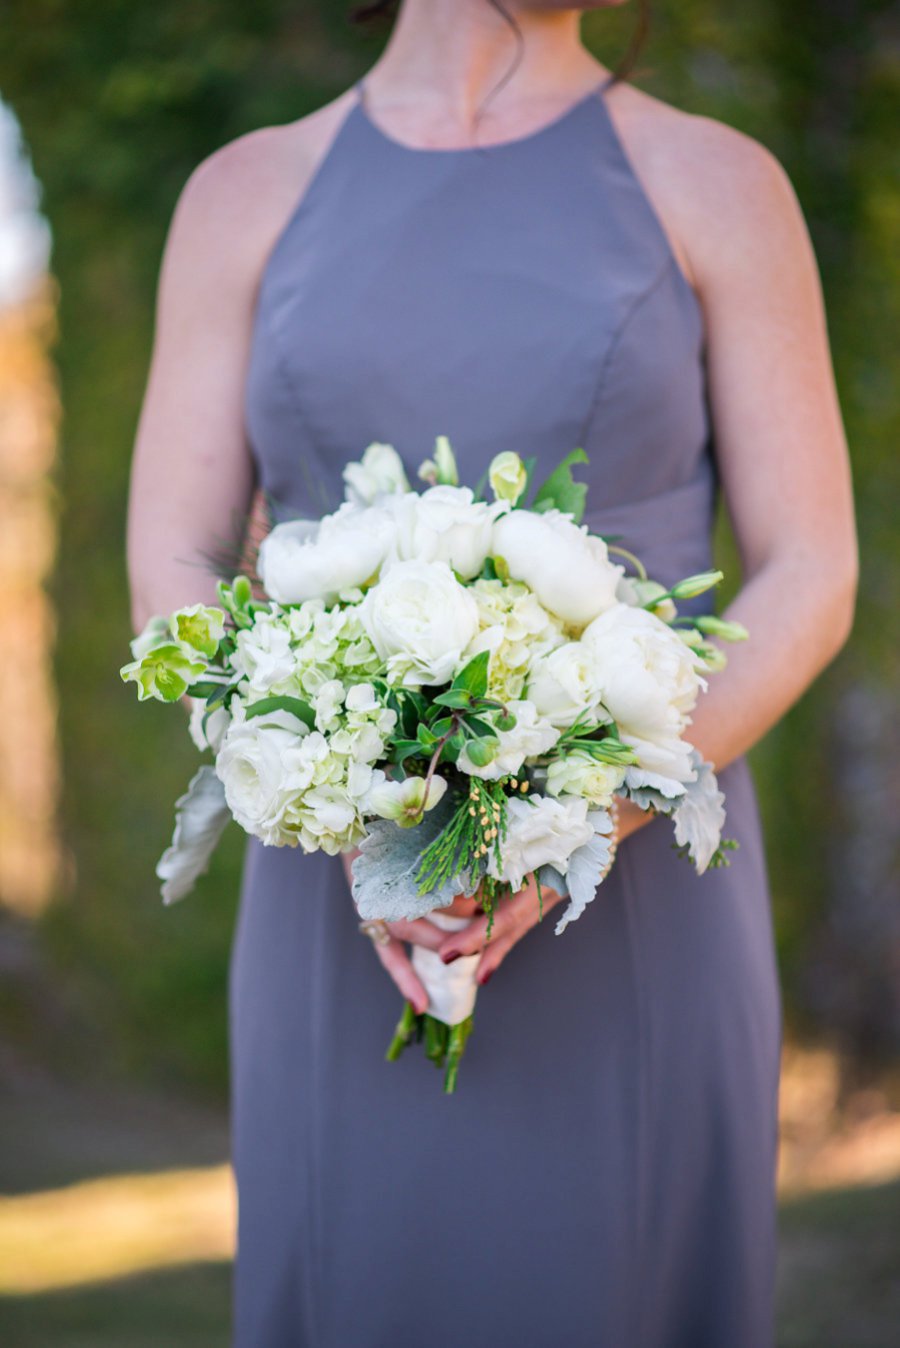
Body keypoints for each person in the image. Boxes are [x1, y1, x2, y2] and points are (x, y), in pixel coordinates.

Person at [125, 2, 858, 1344]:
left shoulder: (718, 182)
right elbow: (175, 556)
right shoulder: (243, 194)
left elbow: (812, 570)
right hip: (339, 911)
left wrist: (573, 822)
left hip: (633, 902)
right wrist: (346, 808)